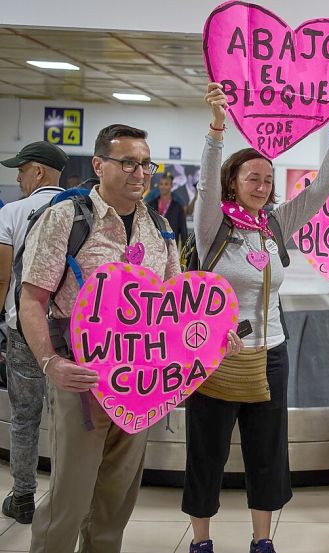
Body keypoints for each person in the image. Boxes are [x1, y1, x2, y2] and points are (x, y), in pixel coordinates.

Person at [181, 84, 329, 553]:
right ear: (232, 182)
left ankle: (262, 540)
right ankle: (201, 541)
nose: (262, 187)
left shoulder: (275, 224)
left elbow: (319, 192)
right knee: (208, 451)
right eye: (252, 178)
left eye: (268, 179)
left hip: (271, 353)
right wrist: (217, 128)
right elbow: (203, 183)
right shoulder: (213, 225)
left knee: (268, 452)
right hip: (215, 355)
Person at [18, 124, 182, 552]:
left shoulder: (159, 226)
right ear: (99, 164)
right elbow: (32, 299)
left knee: (115, 502)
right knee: (68, 502)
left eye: (146, 163)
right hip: (82, 379)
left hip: (140, 382)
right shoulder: (67, 218)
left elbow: (177, 306)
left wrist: (209, 341)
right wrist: (50, 363)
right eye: (127, 162)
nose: (139, 173)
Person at [0, 141, 68, 524]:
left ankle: (23, 497)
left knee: (25, 416)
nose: (18, 176)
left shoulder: (12, 212)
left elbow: (2, 273)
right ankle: (64, 496)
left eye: (22, 169)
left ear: (38, 172)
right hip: (66, 331)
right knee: (68, 419)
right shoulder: (80, 208)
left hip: (23, 327)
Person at [147, 171, 189, 247]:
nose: (163, 187)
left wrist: (184, 253)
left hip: (171, 246)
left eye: (166, 184)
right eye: (161, 184)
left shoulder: (178, 207)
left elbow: (183, 231)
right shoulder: (151, 205)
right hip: (154, 246)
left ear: (171, 186)